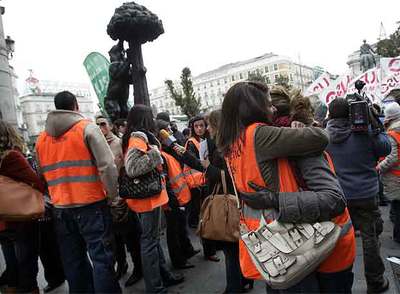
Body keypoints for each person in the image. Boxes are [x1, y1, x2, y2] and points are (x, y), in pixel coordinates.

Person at [217, 81, 336, 293]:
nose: (272, 109)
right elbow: (320, 138)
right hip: (287, 232)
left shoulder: (232, 142)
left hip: (261, 233)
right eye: (268, 104)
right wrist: (309, 126)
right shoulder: (259, 135)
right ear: (253, 107)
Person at [240, 93, 356, 293]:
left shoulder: (305, 148)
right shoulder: (280, 151)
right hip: (303, 250)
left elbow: (334, 200)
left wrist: (276, 200)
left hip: (331, 246)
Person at [35, 91, 122, 293]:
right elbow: (107, 166)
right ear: (75, 106)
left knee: (73, 261)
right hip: (91, 205)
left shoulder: (41, 139)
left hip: (60, 209)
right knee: (102, 259)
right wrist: (113, 196)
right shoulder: (86, 128)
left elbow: (41, 172)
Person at [326, 98, 391, 293]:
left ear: (329, 114)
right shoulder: (364, 134)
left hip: (338, 196)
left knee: (337, 241)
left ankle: (339, 285)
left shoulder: (322, 137)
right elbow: (385, 148)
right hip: (365, 194)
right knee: (370, 237)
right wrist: (375, 125)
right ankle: (375, 281)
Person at [122, 105, 184, 293]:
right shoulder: (138, 137)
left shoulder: (138, 135)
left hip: (150, 197)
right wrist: (155, 154)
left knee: (153, 239)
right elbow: (132, 167)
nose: (154, 119)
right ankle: (155, 287)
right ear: (145, 118)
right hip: (146, 198)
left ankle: (163, 276)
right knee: (149, 241)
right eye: (151, 116)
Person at [201, 110, 254, 293]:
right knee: (238, 246)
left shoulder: (221, 148)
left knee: (231, 249)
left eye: (209, 124)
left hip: (228, 204)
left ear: (217, 125)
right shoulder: (235, 142)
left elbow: (227, 177)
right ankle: (245, 279)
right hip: (240, 201)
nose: (207, 128)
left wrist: (208, 168)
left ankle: (234, 287)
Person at [95, 115, 143, 286]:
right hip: (105, 199)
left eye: (103, 124)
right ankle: (121, 265)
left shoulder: (119, 143)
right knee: (114, 240)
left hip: (123, 197)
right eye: (97, 125)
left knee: (131, 236)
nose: (100, 128)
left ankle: (138, 268)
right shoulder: (94, 146)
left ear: (109, 126)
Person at [0, 120, 46, 293]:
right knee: (27, 264)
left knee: (12, 265)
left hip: (2, 221)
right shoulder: (12, 156)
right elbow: (36, 182)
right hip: (20, 219)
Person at [156, 119, 199, 270]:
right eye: (167, 130)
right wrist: (173, 203)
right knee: (174, 232)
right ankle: (178, 260)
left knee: (182, 228)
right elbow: (166, 182)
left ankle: (187, 250)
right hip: (174, 201)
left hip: (181, 197)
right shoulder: (161, 155)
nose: (171, 133)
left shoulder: (170, 150)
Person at [185, 115, 219, 262]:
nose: (199, 128)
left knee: (211, 216)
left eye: (201, 126)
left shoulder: (208, 140)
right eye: (196, 126)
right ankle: (209, 250)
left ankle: (213, 245)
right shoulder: (191, 143)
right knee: (204, 219)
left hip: (208, 183)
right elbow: (195, 163)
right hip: (198, 186)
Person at [377, 103, 400, 243]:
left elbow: (393, 156)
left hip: (396, 177)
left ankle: (398, 237)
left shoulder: (392, 133)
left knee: (398, 208)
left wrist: (380, 167)